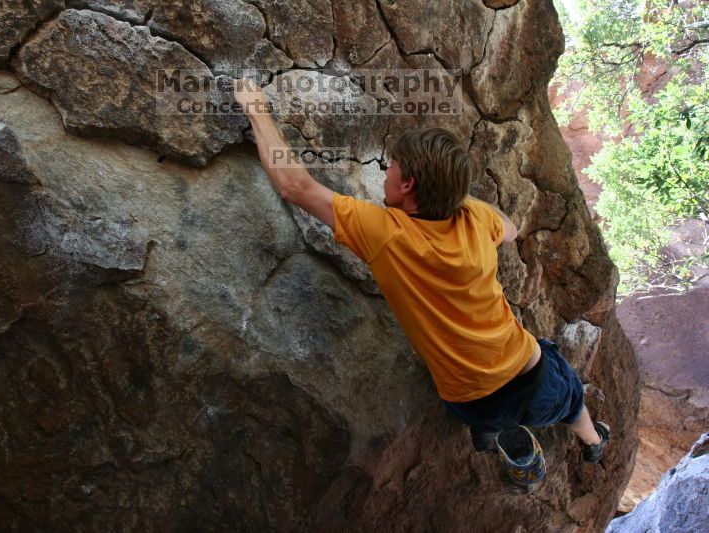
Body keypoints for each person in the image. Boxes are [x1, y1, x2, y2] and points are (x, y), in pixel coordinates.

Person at [233, 80, 611, 465]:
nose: (386, 170)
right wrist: (457, 197)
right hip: (530, 377)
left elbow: (294, 185)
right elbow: (510, 230)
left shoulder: (386, 234)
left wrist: (255, 108)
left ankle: (497, 435)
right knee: (570, 403)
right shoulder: (474, 218)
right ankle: (593, 442)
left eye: (391, 167)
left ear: (408, 185)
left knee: (491, 412)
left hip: (467, 399)